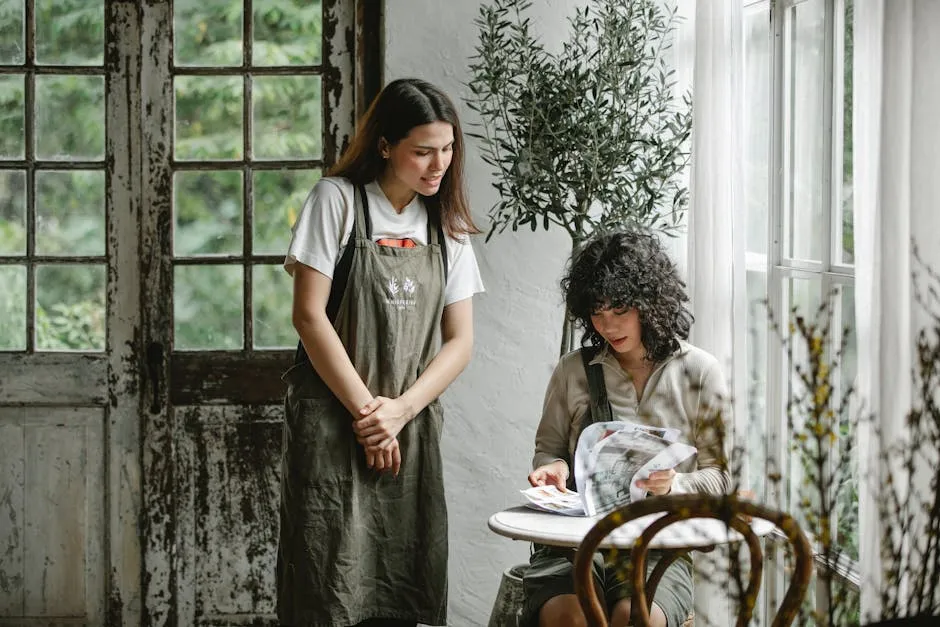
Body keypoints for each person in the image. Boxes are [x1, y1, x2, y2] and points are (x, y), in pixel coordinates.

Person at [278, 78, 484, 627]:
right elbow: (309, 315)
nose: (438, 164)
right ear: (386, 145)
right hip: (332, 422)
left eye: (447, 149)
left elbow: (460, 342)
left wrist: (400, 411)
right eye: (422, 151)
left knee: (402, 588)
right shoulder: (337, 200)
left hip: (410, 430)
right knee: (329, 587)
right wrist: (371, 415)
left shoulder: (448, 225)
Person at [522, 228, 731, 627]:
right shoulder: (573, 370)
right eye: (596, 313)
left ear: (649, 302)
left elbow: (719, 478)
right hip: (573, 542)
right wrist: (555, 470)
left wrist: (673, 485)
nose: (607, 325)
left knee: (635, 619)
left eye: (620, 310)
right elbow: (547, 450)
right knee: (571, 618)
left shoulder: (700, 372)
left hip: (657, 546)